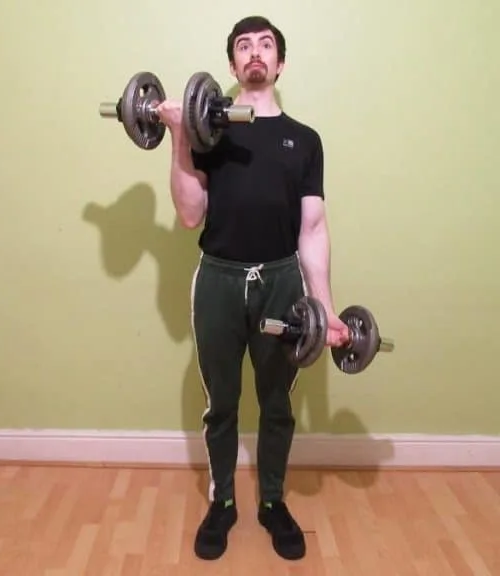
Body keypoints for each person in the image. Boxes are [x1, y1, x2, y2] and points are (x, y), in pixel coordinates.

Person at [155, 16, 350, 562]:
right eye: (244, 46)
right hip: (217, 280)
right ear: (232, 65)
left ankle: (271, 503)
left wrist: (327, 309)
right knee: (221, 402)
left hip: (282, 282)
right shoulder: (208, 132)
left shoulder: (305, 141)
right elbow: (191, 214)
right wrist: (178, 135)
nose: (255, 53)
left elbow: (312, 229)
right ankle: (222, 504)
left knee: (276, 401)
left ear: (280, 64)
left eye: (266, 45)